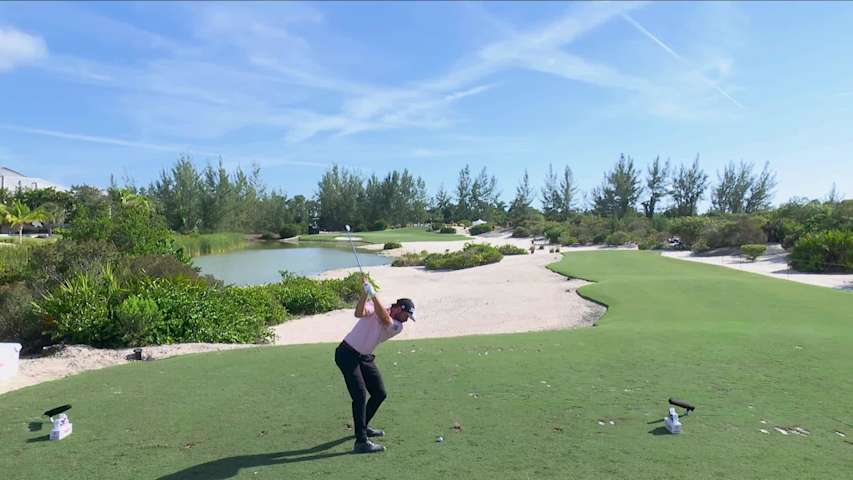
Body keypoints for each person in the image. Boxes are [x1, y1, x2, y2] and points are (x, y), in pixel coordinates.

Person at [335, 275, 415, 454]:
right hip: (347, 354)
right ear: (399, 308)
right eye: (406, 314)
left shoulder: (397, 325)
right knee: (360, 395)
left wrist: (373, 293)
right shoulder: (379, 308)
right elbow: (359, 313)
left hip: (364, 357)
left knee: (379, 393)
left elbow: (385, 319)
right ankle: (361, 442)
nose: (407, 319)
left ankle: (363, 425)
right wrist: (365, 294)